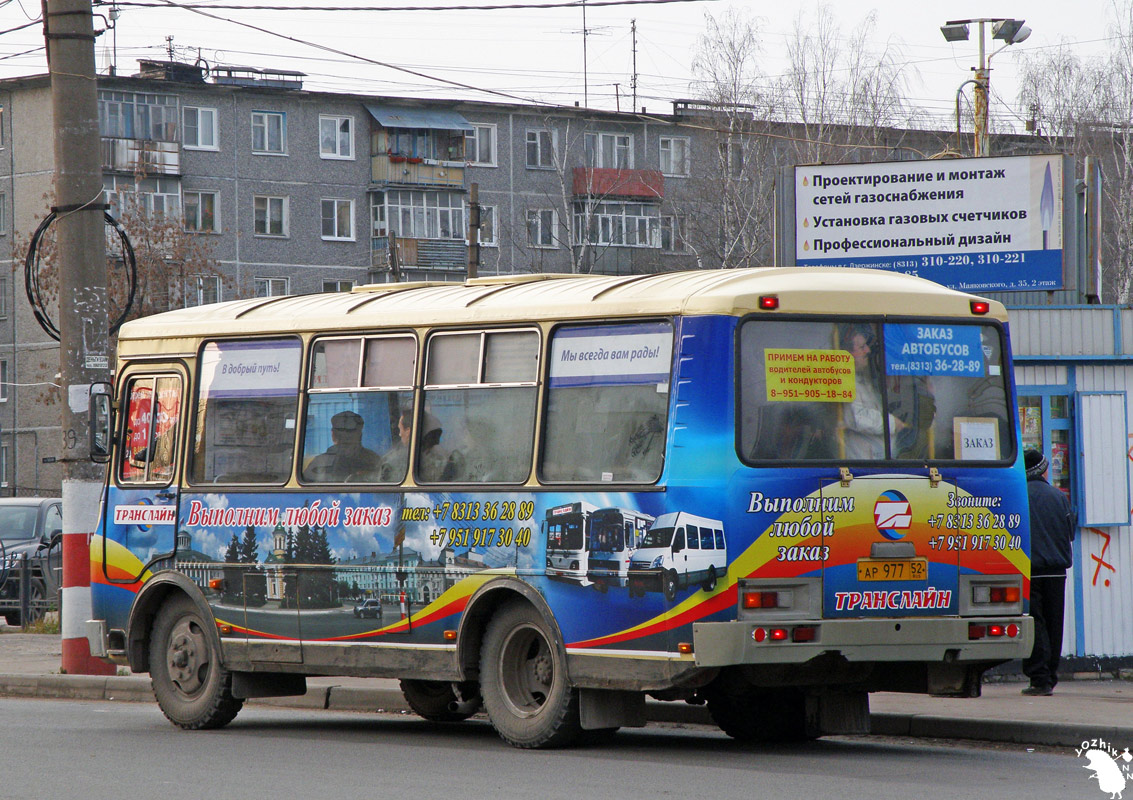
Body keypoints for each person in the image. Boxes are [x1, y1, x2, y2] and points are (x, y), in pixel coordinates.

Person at [1021, 448, 1077, 696]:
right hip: (1057, 571)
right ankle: (1050, 676)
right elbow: (1070, 533)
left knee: (1036, 623)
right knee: (1055, 624)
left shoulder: (1020, 497)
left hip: (1030, 569)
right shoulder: (1059, 497)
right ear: (1043, 470)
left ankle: (1039, 678)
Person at [841, 326, 905, 459]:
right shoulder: (844, 382)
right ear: (848, 353)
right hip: (861, 465)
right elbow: (857, 418)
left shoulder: (863, 379)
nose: (868, 351)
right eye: (862, 347)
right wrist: (893, 423)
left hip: (879, 461)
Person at [305, 410, 380, 482]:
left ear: (333, 435)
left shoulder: (319, 462)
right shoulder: (373, 459)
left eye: (350, 434)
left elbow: (306, 491)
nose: (347, 438)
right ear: (360, 435)